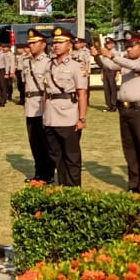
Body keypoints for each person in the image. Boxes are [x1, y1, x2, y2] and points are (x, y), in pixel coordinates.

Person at [97, 32, 140, 193]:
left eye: (132, 46)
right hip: (125, 108)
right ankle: (133, 182)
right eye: (127, 46)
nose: (129, 49)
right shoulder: (125, 62)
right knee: (129, 147)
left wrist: (112, 55)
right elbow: (109, 66)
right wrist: (98, 56)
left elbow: (136, 67)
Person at [43, 27, 89, 186]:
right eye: (54, 42)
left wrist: (82, 118)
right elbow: (45, 92)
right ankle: (63, 186)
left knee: (72, 156)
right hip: (50, 116)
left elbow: (82, 93)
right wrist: (44, 115)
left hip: (68, 116)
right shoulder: (49, 65)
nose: (55, 45)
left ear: (69, 45)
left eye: (60, 42)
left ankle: (74, 189)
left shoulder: (76, 66)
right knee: (56, 155)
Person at [21, 29, 55, 183]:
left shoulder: (48, 62)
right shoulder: (27, 62)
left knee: (44, 142)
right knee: (34, 141)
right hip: (30, 106)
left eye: (34, 43)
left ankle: (47, 174)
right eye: (30, 43)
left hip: (42, 105)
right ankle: (38, 173)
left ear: (43, 44)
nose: (31, 46)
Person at [99, 38, 121, 112]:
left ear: (113, 44)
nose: (108, 45)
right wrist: (102, 73)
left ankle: (114, 105)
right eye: (107, 43)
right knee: (106, 89)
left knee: (113, 88)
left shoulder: (116, 53)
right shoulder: (104, 52)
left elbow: (118, 64)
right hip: (105, 71)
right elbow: (103, 64)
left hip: (113, 71)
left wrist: (117, 74)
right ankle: (108, 105)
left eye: (110, 43)